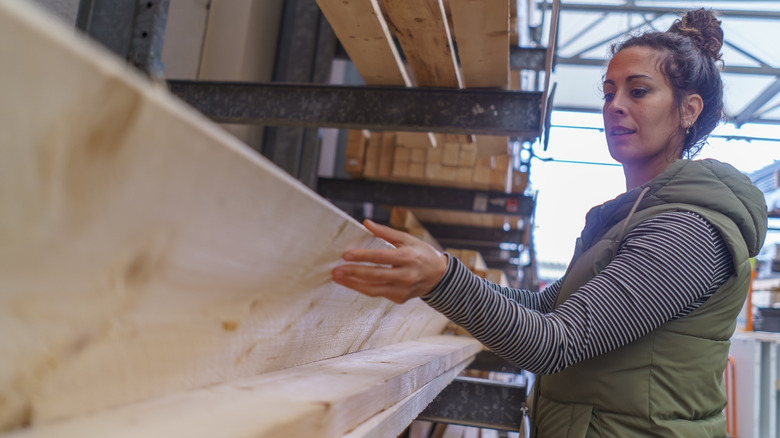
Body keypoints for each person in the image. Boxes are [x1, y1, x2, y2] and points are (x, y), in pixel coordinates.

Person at [332, 8, 768, 437]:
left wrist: (442, 281)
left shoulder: (688, 232)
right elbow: (543, 308)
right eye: (608, 91)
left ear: (689, 109)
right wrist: (440, 276)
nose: (614, 106)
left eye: (637, 92)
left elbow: (553, 343)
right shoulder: (631, 218)